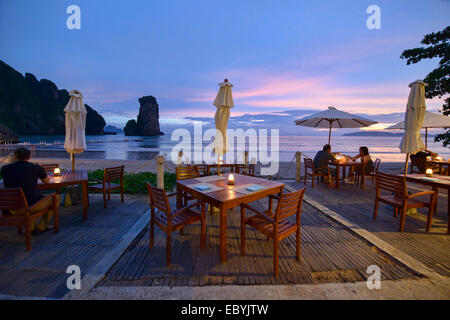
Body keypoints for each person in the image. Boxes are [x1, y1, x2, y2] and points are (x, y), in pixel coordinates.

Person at [0, 148, 60, 234]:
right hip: (29, 207)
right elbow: (47, 181)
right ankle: (42, 226)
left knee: (29, 197)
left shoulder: (4, 169)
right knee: (56, 197)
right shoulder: (35, 168)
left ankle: (31, 227)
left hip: (12, 207)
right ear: (29, 157)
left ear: (15, 157)